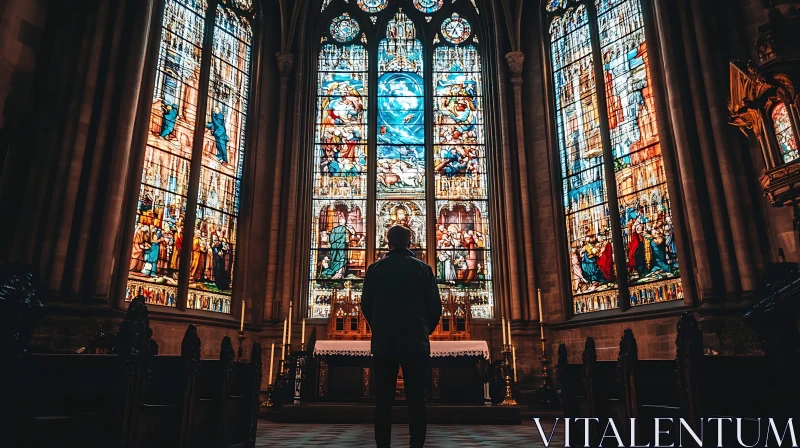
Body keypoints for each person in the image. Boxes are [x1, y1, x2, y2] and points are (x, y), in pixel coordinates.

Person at [362, 225, 442, 448]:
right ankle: (416, 445)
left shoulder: (375, 269)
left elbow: (366, 305)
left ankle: (383, 446)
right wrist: (423, 331)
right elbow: (435, 307)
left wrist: (378, 327)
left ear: (388, 243)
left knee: (383, 401)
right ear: (410, 243)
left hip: (384, 342)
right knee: (417, 400)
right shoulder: (423, 269)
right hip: (415, 342)